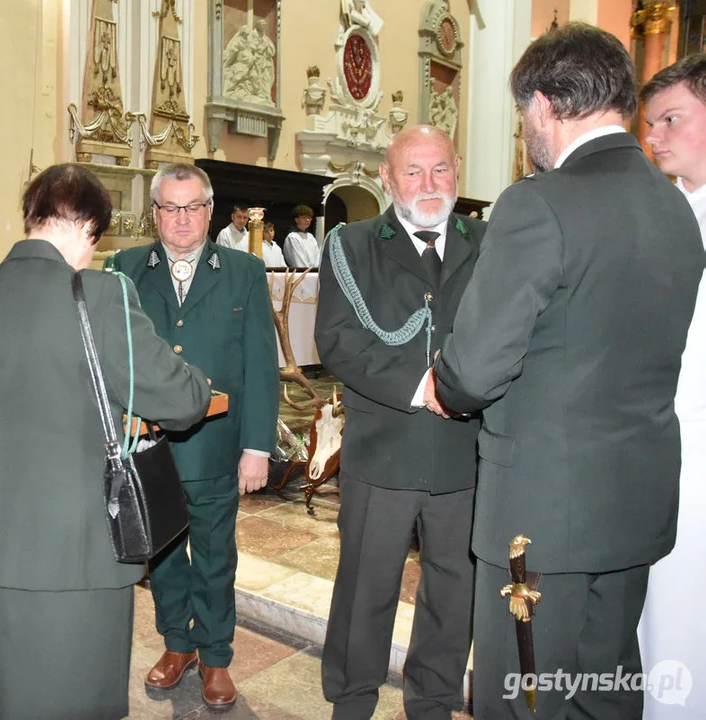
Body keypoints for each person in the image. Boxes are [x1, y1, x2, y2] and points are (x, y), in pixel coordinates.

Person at [430, 25, 704, 719]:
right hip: (632, 506)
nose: (528, 129)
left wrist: (444, 380)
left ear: (545, 104)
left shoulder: (538, 201)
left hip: (540, 516)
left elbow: (473, 371)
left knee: (521, 701)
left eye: (525, 114)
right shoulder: (675, 207)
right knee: (603, 695)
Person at [0, 164, 211, 720]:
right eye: (96, 238)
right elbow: (181, 401)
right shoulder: (102, 295)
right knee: (75, 699)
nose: (94, 251)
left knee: (4, 693)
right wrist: (198, 382)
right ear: (85, 225)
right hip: (74, 554)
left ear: (32, 217)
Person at [315, 125, 484, 720]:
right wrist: (424, 386)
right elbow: (337, 339)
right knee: (366, 588)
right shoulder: (353, 244)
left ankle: (434, 701)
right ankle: (352, 698)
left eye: (439, 168)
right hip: (383, 451)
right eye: (412, 172)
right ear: (387, 179)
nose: (428, 183)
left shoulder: (489, 242)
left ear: (457, 169)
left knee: (454, 590)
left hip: (466, 455)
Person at [109, 163, 279, 710]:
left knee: (213, 556)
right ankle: (176, 645)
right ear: (154, 212)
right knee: (161, 556)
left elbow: (259, 363)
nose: (181, 220)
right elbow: (115, 361)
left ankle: (216, 656)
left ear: (209, 210)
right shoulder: (125, 268)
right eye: (170, 208)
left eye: (192, 207)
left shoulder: (244, 271)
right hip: (149, 449)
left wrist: (257, 447)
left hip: (216, 445)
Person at [638, 53, 706, 720]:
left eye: (670, 119)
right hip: (657, 440)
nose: (653, 136)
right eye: (649, 123)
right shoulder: (670, 212)